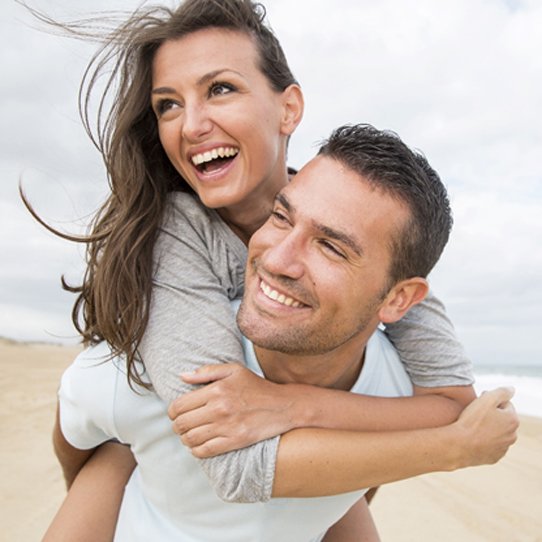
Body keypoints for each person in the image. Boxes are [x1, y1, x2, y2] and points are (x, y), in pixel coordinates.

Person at [48, 124, 518, 541]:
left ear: (399, 300)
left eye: (331, 247)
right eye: (281, 217)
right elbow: (74, 433)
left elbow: (360, 480)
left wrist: (299, 417)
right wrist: (106, 477)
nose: (275, 260)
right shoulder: (158, 372)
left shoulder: (401, 396)